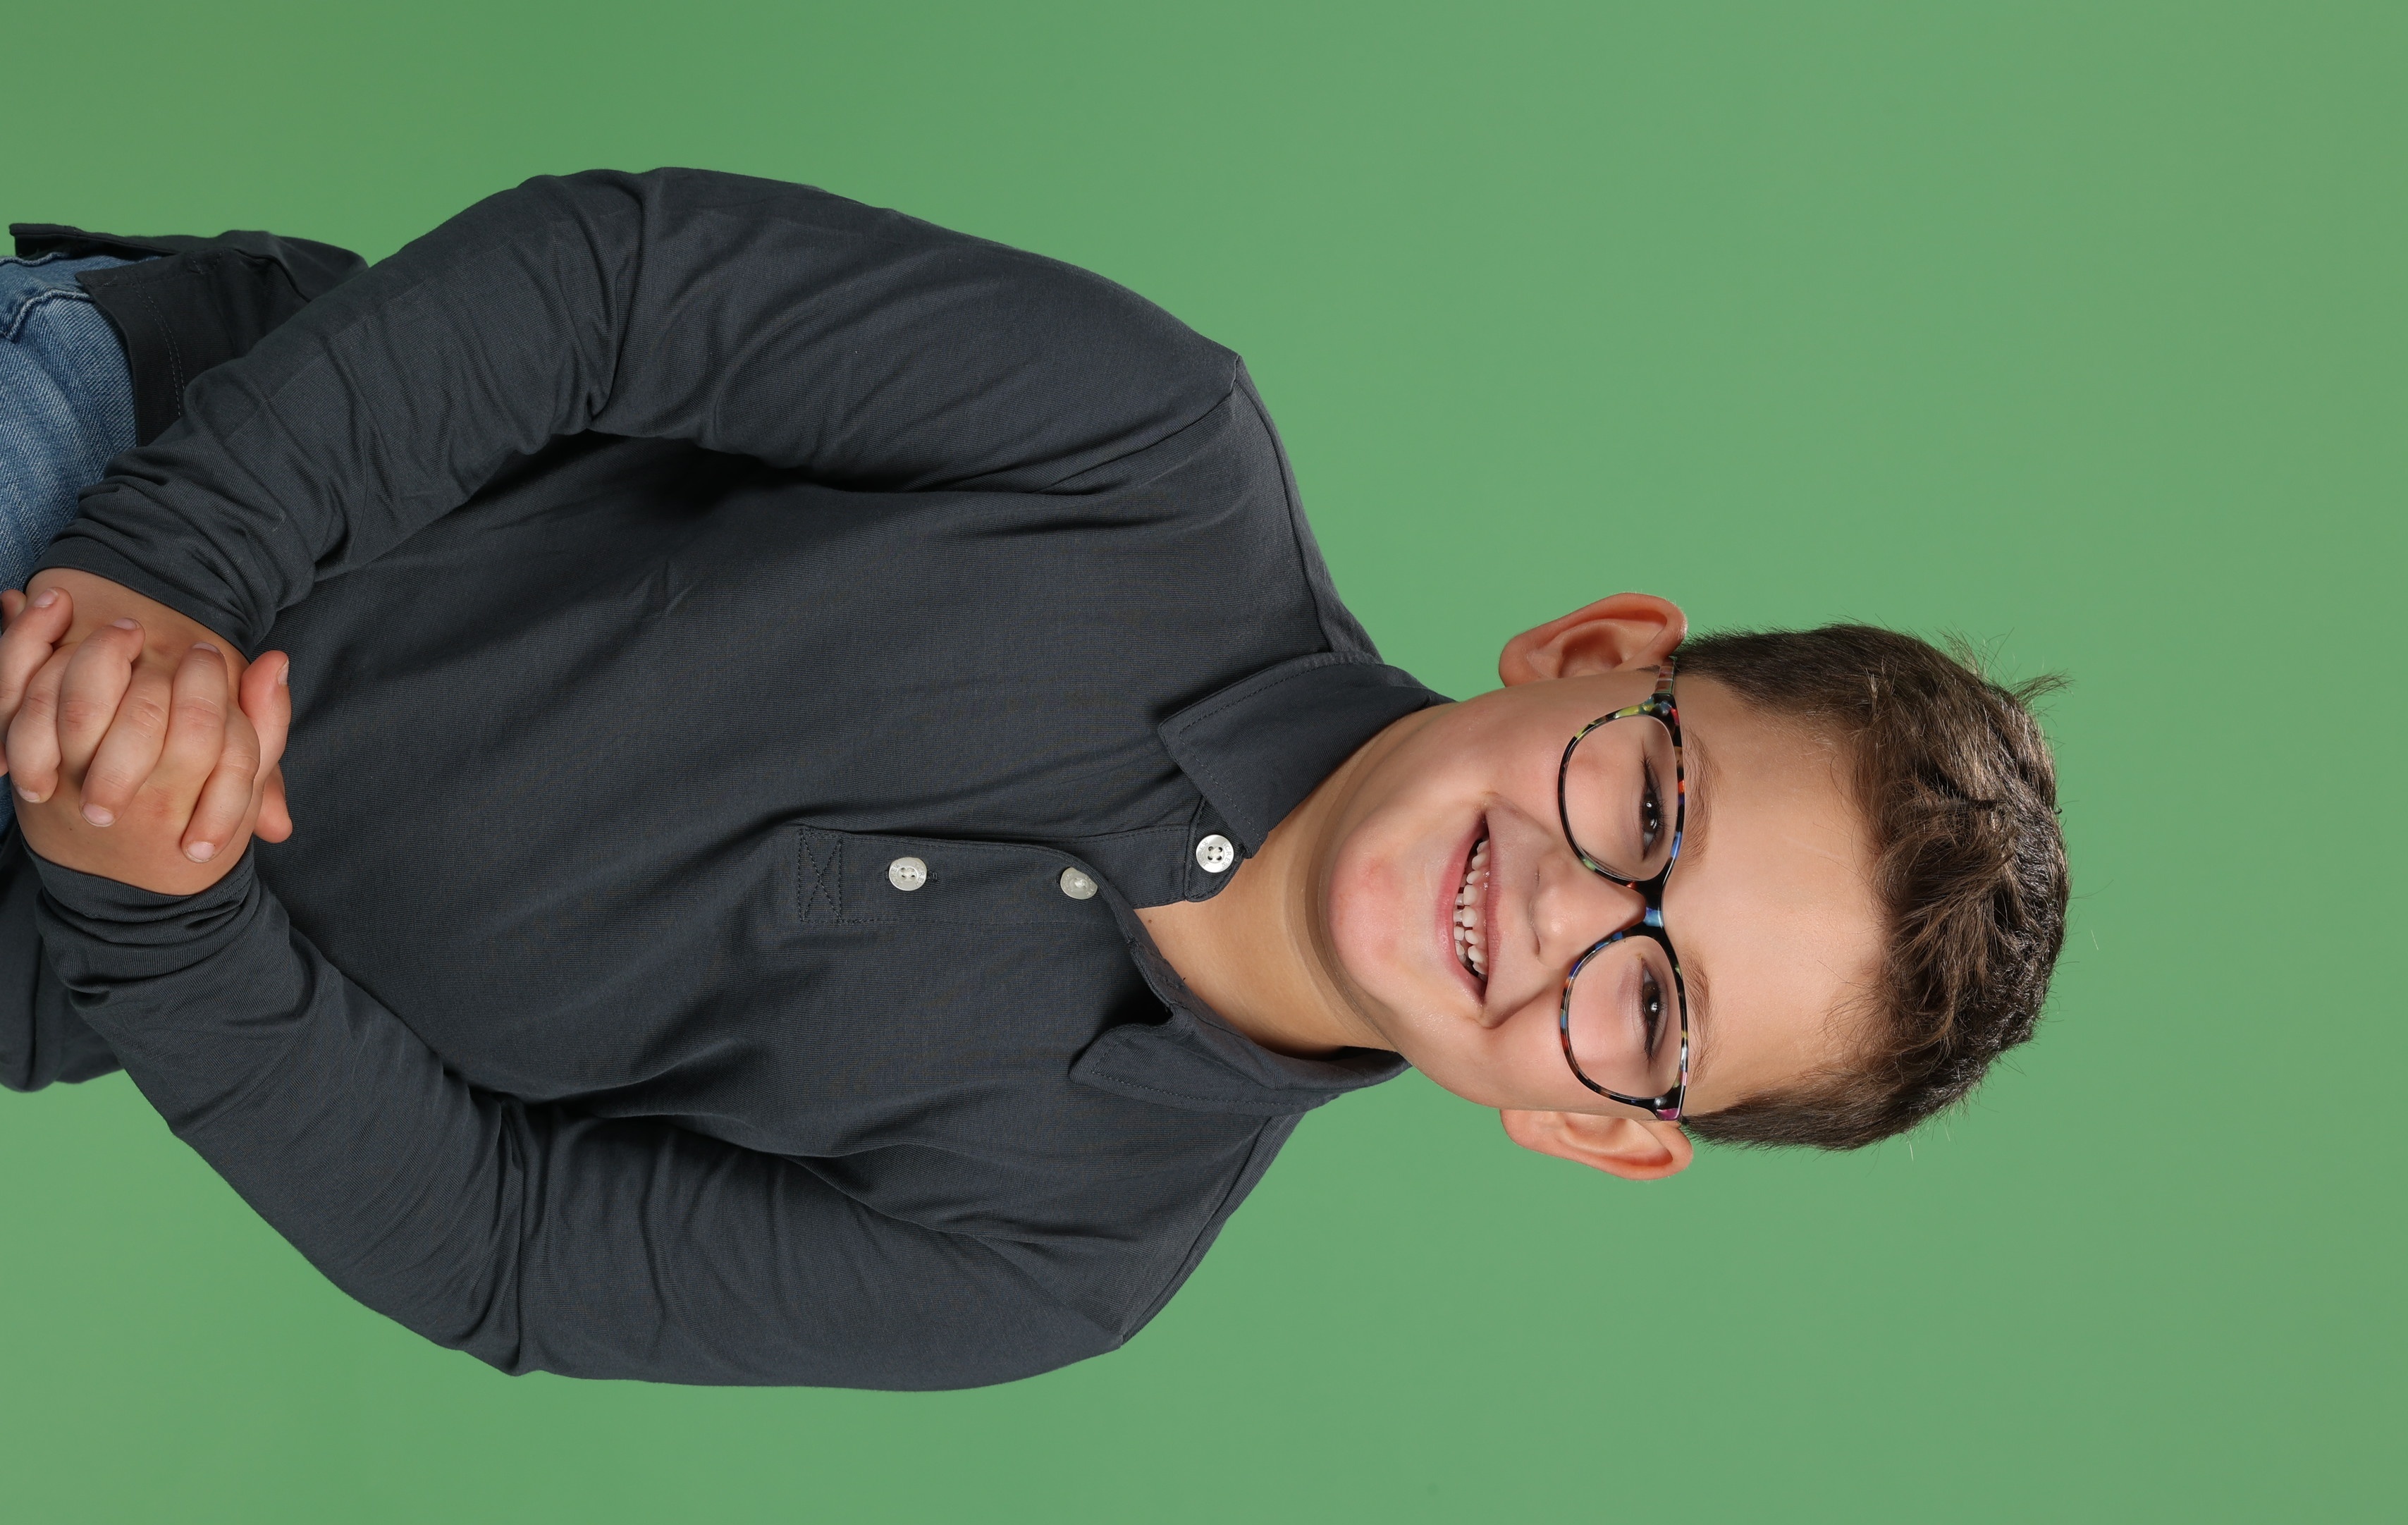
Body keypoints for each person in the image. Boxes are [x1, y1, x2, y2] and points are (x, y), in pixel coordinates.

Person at [0, 169, 2068, 1390]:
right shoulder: (1146, 454)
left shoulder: (1061, 1260)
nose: (1560, 911)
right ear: (1597, 658)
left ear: (1596, 1127)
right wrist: (165, 574)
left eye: (1655, 1008)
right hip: (118, 473)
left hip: (64, 959)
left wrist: (157, 915)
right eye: (1652, 816)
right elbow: (603, 291)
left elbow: (506, 1248)